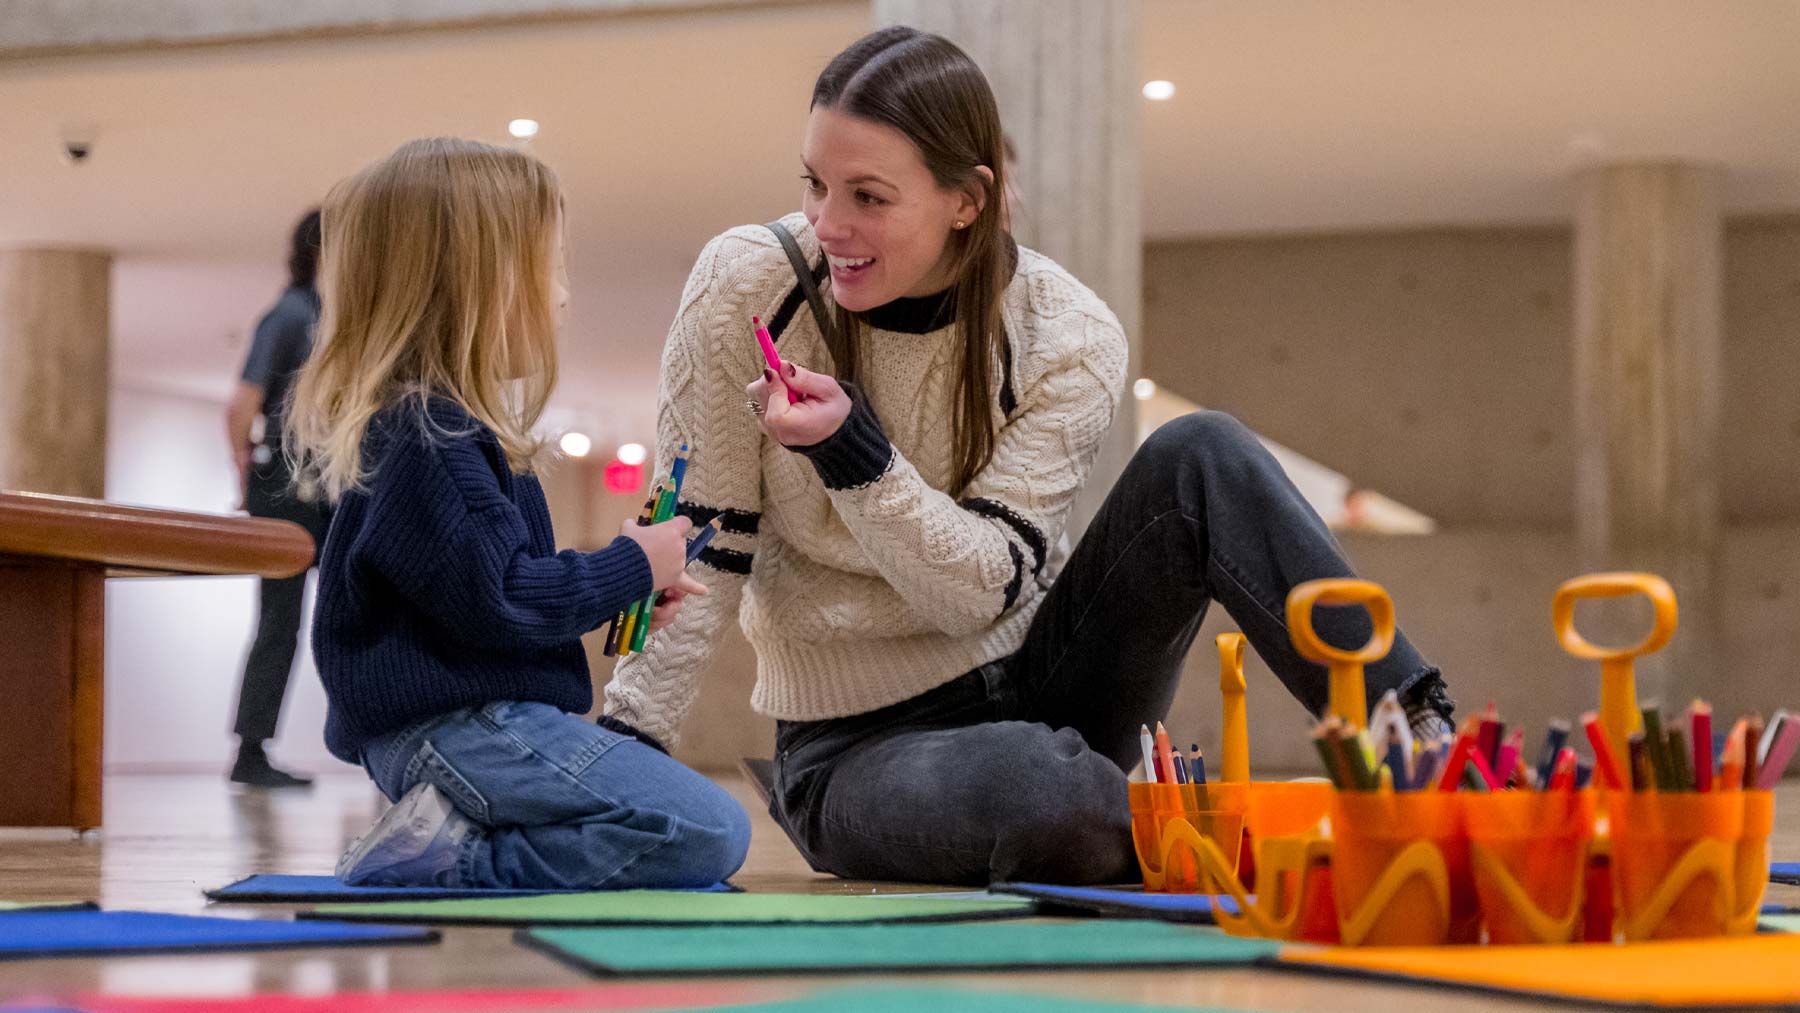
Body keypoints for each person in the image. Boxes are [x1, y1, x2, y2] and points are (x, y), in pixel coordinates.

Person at [605, 27, 1456, 887]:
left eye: (868, 196)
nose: (829, 224)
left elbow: (978, 588)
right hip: (852, 747)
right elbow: (696, 539)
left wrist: (854, 455)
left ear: (966, 200)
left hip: (1037, 670)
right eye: (815, 183)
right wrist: (625, 742)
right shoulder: (744, 282)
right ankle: (1162, 830)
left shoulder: (1069, 332)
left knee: (1205, 453)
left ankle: (1424, 752)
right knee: (1054, 798)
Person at [285, 137, 749, 888]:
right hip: (459, 728)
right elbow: (505, 599)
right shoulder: (431, 438)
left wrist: (618, 582)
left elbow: (490, 592)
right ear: (473, 286)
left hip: (465, 727)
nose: (564, 294)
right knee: (707, 828)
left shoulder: (443, 433)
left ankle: (447, 841)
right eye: (550, 268)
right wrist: (631, 564)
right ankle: (445, 864)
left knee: (690, 828)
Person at [224, 209, 331, 789]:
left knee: (333, 612)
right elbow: (242, 404)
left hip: (322, 482)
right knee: (281, 619)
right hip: (291, 485)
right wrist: (247, 481)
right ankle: (250, 751)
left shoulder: (320, 316)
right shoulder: (292, 314)